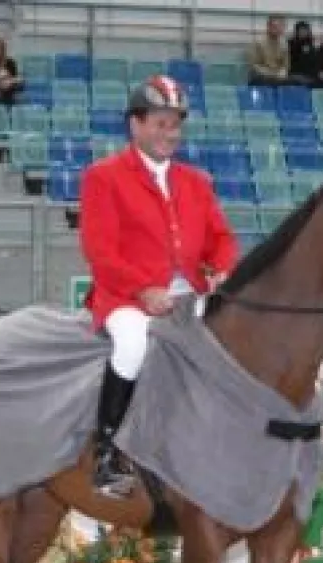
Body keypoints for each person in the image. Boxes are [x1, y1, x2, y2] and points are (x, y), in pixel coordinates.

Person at [78, 75, 239, 497]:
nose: (170, 133)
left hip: (189, 293)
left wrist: (222, 268)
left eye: (175, 124)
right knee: (131, 344)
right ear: (136, 125)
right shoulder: (104, 177)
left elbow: (221, 239)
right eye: (160, 123)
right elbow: (100, 252)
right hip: (125, 296)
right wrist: (142, 290)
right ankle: (107, 453)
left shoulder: (196, 181)